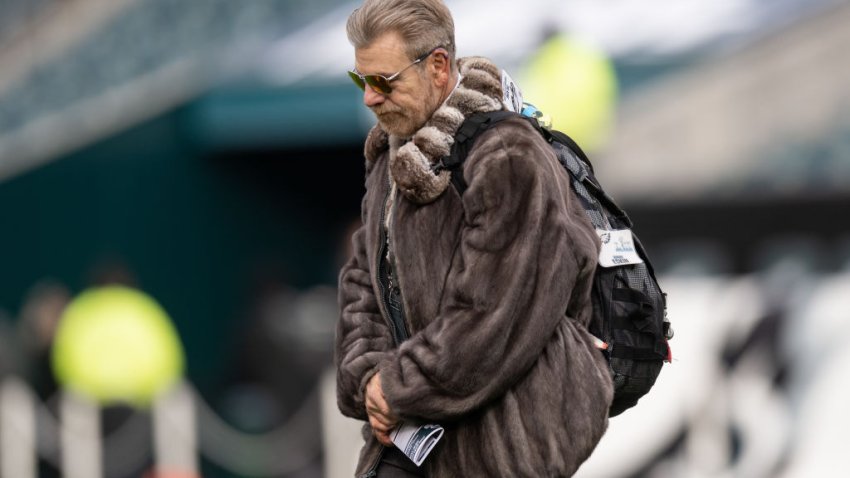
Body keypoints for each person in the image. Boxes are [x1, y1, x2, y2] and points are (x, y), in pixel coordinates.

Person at [335, 0, 613, 476]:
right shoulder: (389, 156)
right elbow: (362, 282)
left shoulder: (507, 153)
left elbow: (492, 313)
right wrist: (369, 380)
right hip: (410, 431)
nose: (369, 98)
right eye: (360, 80)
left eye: (383, 81)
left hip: (505, 447)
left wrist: (396, 387)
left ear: (438, 67)